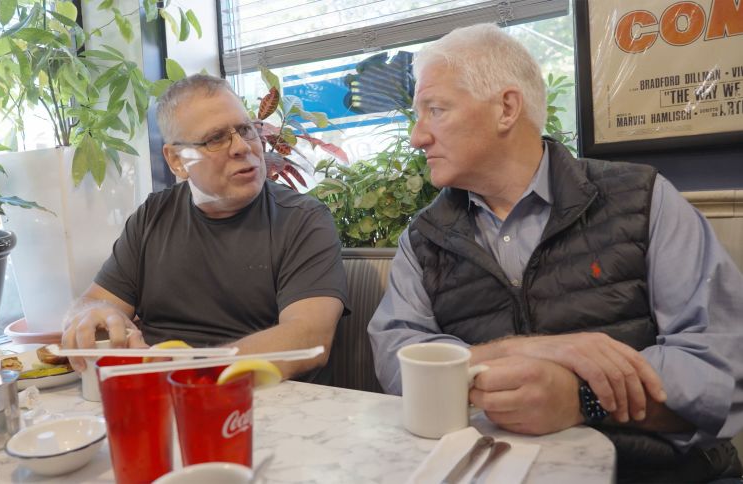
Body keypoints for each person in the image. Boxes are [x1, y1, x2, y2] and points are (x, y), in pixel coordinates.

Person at [368, 23, 743, 482]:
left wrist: (581, 398)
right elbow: (398, 358)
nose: (416, 136)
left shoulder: (643, 199)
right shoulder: (424, 238)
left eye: (435, 110)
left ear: (506, 108)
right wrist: (522, 349)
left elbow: (724, 370)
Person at [62, 74, 349, 383]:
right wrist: (93, 318)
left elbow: (308, 337)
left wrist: (190, 373)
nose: (241, 146)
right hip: (154, 393)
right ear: (177, 161)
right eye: (215, 138)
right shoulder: (152, 217)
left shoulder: (302, 220)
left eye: (245, 129)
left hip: (255, 399)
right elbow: (92, 302)